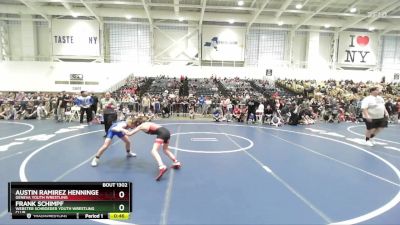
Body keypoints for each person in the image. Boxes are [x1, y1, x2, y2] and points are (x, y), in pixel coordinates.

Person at [126, 116, 181, 181]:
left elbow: (129, 134)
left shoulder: (141, 126)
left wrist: (121, 129)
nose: (133, 127)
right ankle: (176, 162)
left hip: (162, 133)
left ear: (137, 123)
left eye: (134, 125)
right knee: (165, 149)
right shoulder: (147, 123)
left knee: (153, 150)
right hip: (167, 132)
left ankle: (162, 166)